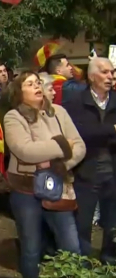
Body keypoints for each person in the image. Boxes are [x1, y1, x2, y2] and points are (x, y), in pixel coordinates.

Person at [4, 71, 85, 278]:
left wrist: (62, 165)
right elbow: (25, 151)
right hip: (26, 191)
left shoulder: (59, 112)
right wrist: (63, 145)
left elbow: (80, 147)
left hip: (59, 187)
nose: (37, 86)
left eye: (38, 82)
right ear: (19, 93)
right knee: (31, 249)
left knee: (71, 247)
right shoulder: (13, 117)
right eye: (30, 84)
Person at [63, 57, 116, 264]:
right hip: (85, 173)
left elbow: (90, 133)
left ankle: (109, 262)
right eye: (105, 72)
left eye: (112, 72)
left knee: (112, 223)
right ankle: (83, 265)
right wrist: (111, 130)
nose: (110, 77)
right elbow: (79, 133)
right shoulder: (75, 103)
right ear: (92, 76)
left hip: (112, 173)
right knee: (82, 224)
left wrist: (99, 133)